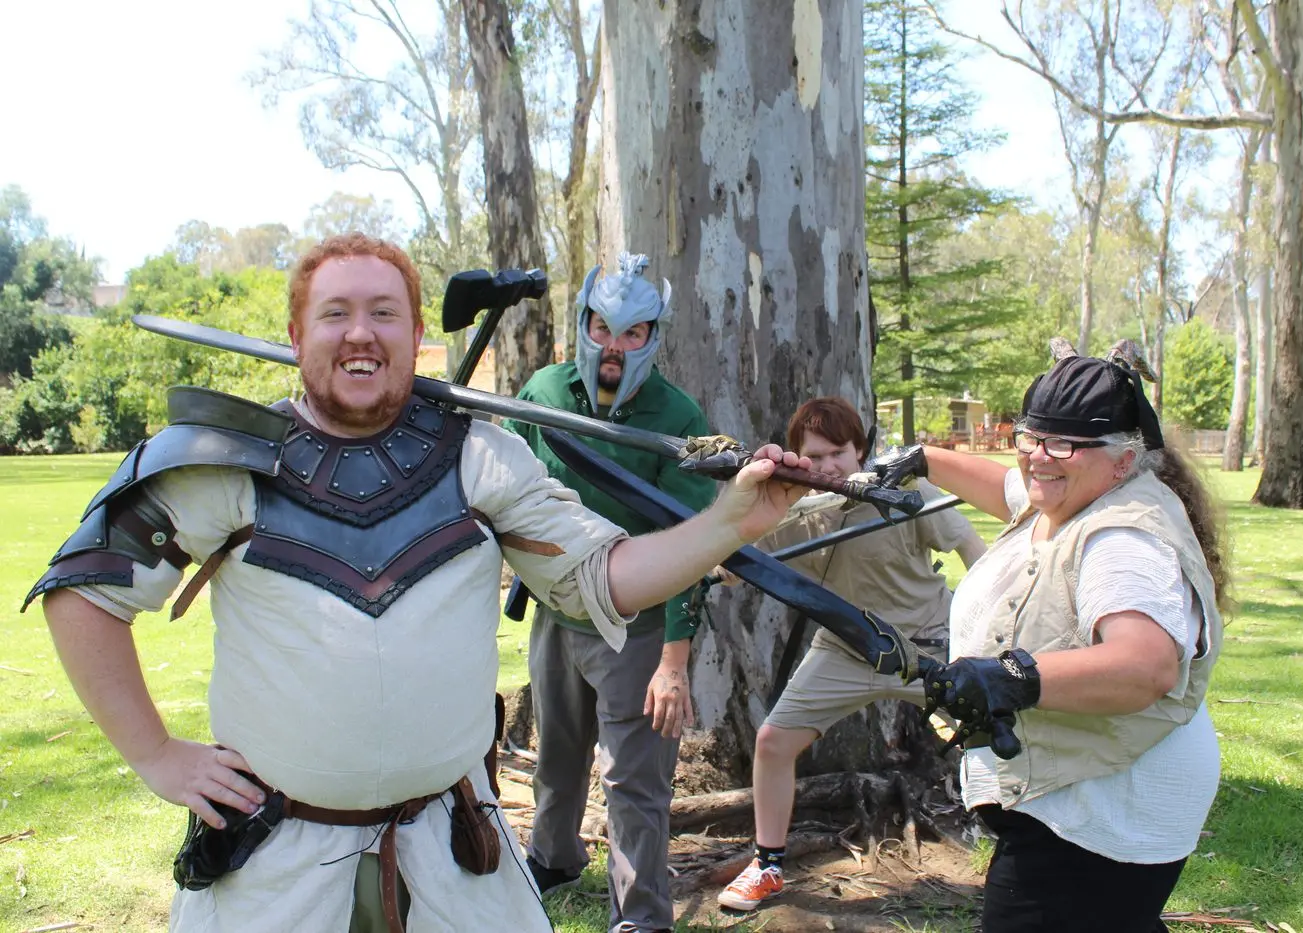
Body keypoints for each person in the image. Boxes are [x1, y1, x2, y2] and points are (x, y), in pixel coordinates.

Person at [25, 234, 811, 933]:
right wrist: (159, 755)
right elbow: (85, 592)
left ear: (414, 336)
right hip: (272, 862)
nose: (360, 332)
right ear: (297, 336)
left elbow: (601, 575)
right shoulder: (225, 464)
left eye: (383, 313)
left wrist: (728, 525)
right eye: (335, 314)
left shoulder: (484, 458)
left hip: (449, 852)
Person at [865, 345, 1226, 933]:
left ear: (1124, 459)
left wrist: (1010, 676)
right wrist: (920, 459)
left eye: (1062, 445)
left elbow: (1147, 666)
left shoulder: (1123, 540)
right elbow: (1011, 486)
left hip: (1103, 809)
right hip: (1082, 791)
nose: (1038, 458)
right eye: (1029, 437)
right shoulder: (1071, 495)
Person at [501, 253, 711, 933]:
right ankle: (553, 857)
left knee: (633, 781)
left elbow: (691, 544)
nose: (612, 348)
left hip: (639, 627)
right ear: (581, 325)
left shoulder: (677, 416)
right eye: (600, 328)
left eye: (631, 333)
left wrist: (673, 664)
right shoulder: (540, 393)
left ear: (653, 336)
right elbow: (496, 485)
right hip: (557, 614)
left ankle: (642, 914)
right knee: (556, 757)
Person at [717, 397, 987, 912]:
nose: (826, 467)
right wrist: (710, 566)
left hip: (927, 645)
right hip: (844, 647)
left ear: (860, 450)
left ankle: (1026, 854)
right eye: (813, 456)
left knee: (1000, 735)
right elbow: (731, 560)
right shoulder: (796, 506)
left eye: (837, 453)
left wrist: (988, 637)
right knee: (773, 742)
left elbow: (974, 554)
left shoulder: (905, 488)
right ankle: (768, 865)